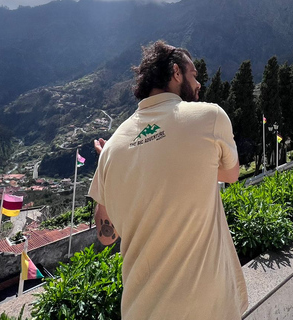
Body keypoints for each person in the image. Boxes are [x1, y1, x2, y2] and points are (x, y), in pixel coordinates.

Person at [88, 40, 248, 320]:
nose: (198, 83)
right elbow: (231, 174)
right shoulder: (209, 117)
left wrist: (109, 169)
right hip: (209, 309)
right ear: (176, 72)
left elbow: (106, 236)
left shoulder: (112, 149)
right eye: (194, 74)